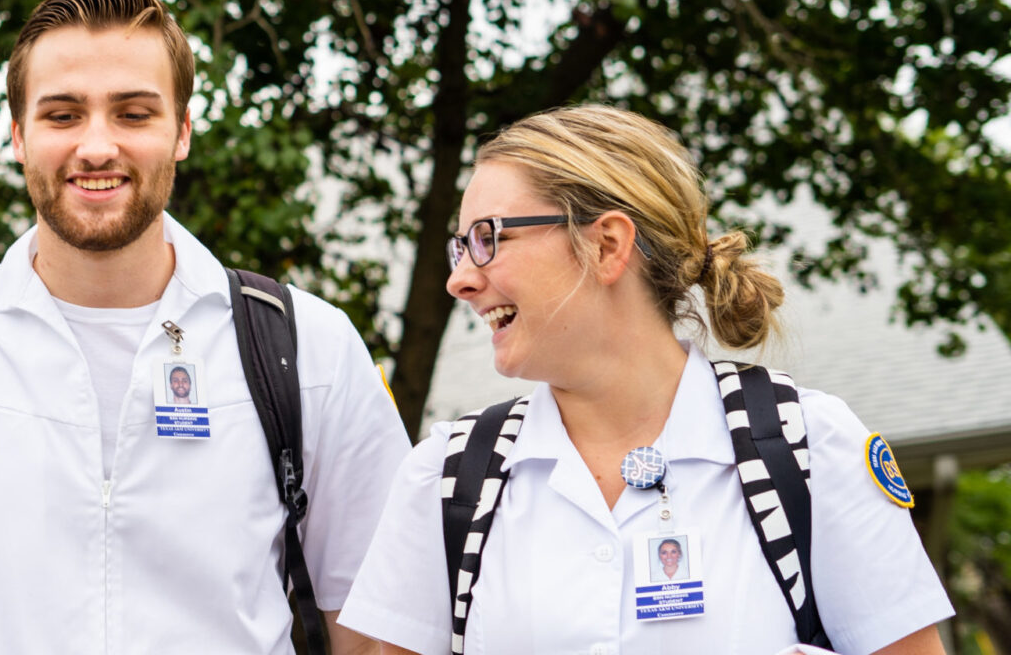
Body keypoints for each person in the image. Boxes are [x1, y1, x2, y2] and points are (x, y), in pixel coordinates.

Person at [0, 0, 410, 654]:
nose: (97, 147)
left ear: (182, 131)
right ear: (18, 136)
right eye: (63, 115)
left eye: (133, 114)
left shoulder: (310, 350)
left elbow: (375, 637)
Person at [336, 105, 952, 654]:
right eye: (459, 247)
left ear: (607, 244)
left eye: (488, 238)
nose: (460, 279)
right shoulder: (444, 477)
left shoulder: (812, 447)